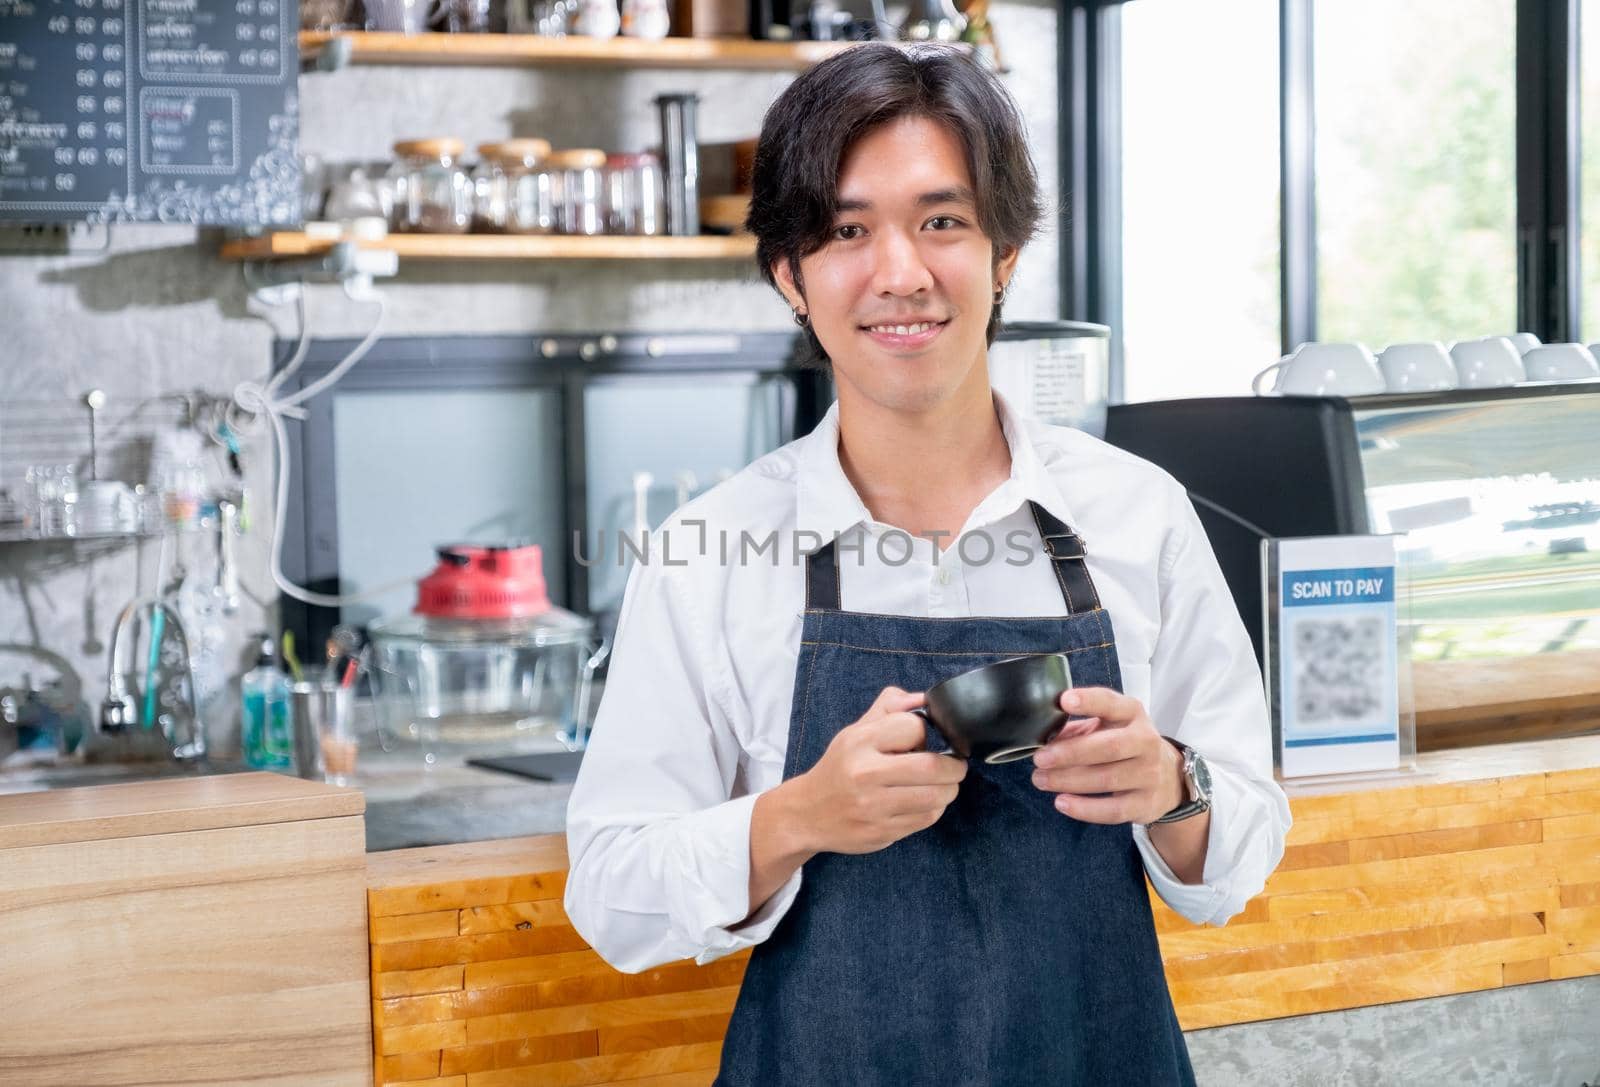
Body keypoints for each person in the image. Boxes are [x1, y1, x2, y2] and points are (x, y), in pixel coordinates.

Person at [565, 42, 1290, 1086]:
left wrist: (1173, 784)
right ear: (790, 276)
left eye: (941, 221)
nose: (899, 272)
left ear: (1003, 258)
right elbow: (612, 891)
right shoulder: (706, 553)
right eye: (848, 231)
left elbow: (1243, 840)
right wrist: (798, 816)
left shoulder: (1137, 514)